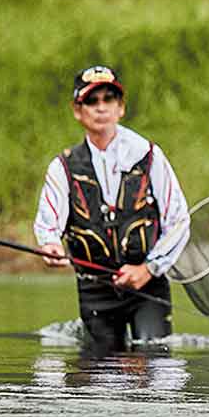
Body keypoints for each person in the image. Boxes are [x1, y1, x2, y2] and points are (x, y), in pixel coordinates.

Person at [34, 64, 190, 354]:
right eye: (92, 101)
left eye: (109, 99)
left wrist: (148, 268)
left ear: (121, 108)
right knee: (99, 379)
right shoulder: (63, 167)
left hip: (148, 288)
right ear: (78, 111)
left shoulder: (149, 156)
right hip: (96, 291)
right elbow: (48, 225)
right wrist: (50, 246)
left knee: (154, 359)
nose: (101, 108)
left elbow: (179, 220)